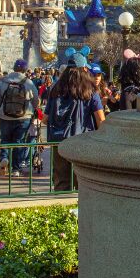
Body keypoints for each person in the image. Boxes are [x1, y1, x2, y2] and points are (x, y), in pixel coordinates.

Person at [45, 57, 106, 191]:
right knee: (82, 180)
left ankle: (61, 208)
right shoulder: (90, 90)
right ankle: (81, 209)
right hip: (82, 140)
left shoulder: (55, 89)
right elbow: (100, 119)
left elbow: (45, 118)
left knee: (61, 180)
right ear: (84, 69)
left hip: (59, 140)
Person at [0, 59, 39, 177]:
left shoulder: (4, 81)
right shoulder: (28, 82)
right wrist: (32, 109)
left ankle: (4, 158)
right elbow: (35, 100)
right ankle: (16, 169)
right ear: (25, 69)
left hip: (5, 116)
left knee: (5, 139)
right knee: (19, 142)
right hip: (23, 117)